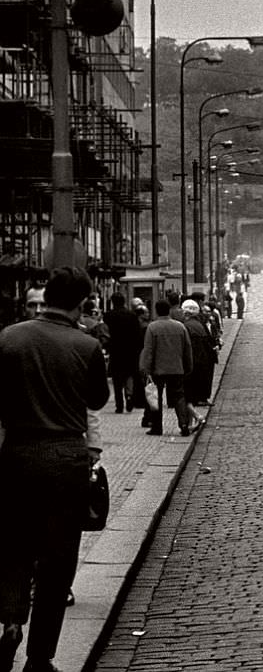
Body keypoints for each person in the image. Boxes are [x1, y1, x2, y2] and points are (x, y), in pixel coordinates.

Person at [0, 266, 109, 672]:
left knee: (13, 546)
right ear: (80, 303)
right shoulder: (85, 345)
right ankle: (40, 657)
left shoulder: (9, 338)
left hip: (17, 454)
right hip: (66, 459)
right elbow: (97, 399)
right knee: (57, 559)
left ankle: (11, 621)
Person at [139, 299, 198, 437]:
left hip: (158, 369)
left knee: (155, 397)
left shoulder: (152, 327)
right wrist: (188, 367)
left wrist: (145, 368)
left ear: (156, 310)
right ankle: (184, 424)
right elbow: (187, 349)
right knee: (178, 396)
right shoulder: (180, 327)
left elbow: (148, 350)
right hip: (177, 368)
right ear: (169, 311)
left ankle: (157, 427)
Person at [104, 293, 144, 413]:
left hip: (116, 351)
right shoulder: (132, 315)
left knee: (117, 378)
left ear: (112, 302)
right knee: (129, 376)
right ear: (124, 301)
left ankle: (119, 404)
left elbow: (106, 334)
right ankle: (129, 396)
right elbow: (138, 334)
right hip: (130, 351)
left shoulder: (108, 316)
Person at [181, 300, 215, 408]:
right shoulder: (200, 324)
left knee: (193, 380)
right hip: (203, 357)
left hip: (194, 357)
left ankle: (196, 399)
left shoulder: (186, 325)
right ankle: (201, 398)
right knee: (201, 378)